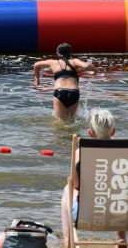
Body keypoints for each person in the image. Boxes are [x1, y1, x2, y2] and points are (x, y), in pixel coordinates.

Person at [60, 108, 125, 248]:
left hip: (88, 216)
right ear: (113, 131)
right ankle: (120, 238)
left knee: (68, 188)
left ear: (90, 133)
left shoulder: (81, 152)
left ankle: (68, 243)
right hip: (119, 215)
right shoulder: (124, 153)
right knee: (121, 193)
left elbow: (76, 185)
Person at [33, 42, 95, 121]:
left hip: (60, 91)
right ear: (69, 53)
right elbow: (86, 66)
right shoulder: (75, 61)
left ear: (58, 53)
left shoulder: (53, 62)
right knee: (72, 121)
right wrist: (95, 71)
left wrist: (37, 79)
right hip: (74, 92)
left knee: (60, 122)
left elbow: (36, 65)